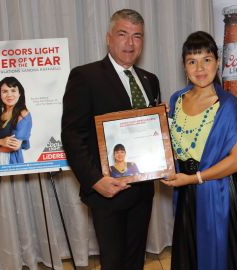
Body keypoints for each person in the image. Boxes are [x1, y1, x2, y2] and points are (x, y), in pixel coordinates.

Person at [61, 9, 161, 270]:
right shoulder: (85, 77)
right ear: (109, 38)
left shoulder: (150, 80)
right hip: (108, 191)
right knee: (114, 262)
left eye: (137, 36)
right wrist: (95, 181)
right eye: (123, 34)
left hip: (143, 189)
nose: (130, 43)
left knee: (135, 259)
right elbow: (72, 136)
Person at [162, 31, 237, 270]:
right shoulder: (176, 100)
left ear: (217, 62)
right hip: (187, 193)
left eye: (206, 59)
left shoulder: (227, 104)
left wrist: (195, 178)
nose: (200, 68)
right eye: (192, 61)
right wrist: (158, 122)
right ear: (184, 67)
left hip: (219, 194)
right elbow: (176, 145)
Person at [0, 76, 32, 165]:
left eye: (13, 90)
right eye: (5, 91)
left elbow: (13, 146)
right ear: (0, 95)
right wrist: (0, 142)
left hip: (13, 163)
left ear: (20, 93)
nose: (9, 95)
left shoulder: (23, 114)